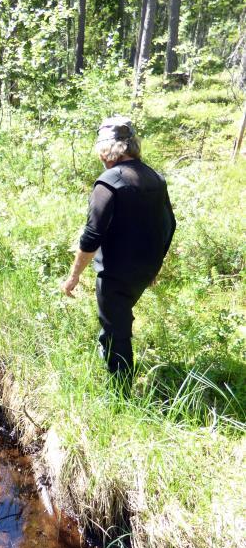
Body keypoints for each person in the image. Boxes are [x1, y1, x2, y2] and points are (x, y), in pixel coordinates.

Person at [61, 116, 176, 390]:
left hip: (115, 273)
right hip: (144, 269)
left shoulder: (108, 182)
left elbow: (91, 236)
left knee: (115, 331)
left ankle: (121, 393)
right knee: (120, 316)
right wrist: (154, 267)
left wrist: (73, 276)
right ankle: (114, 367)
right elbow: (169, 224)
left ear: (106, 150)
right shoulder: (154, 177)